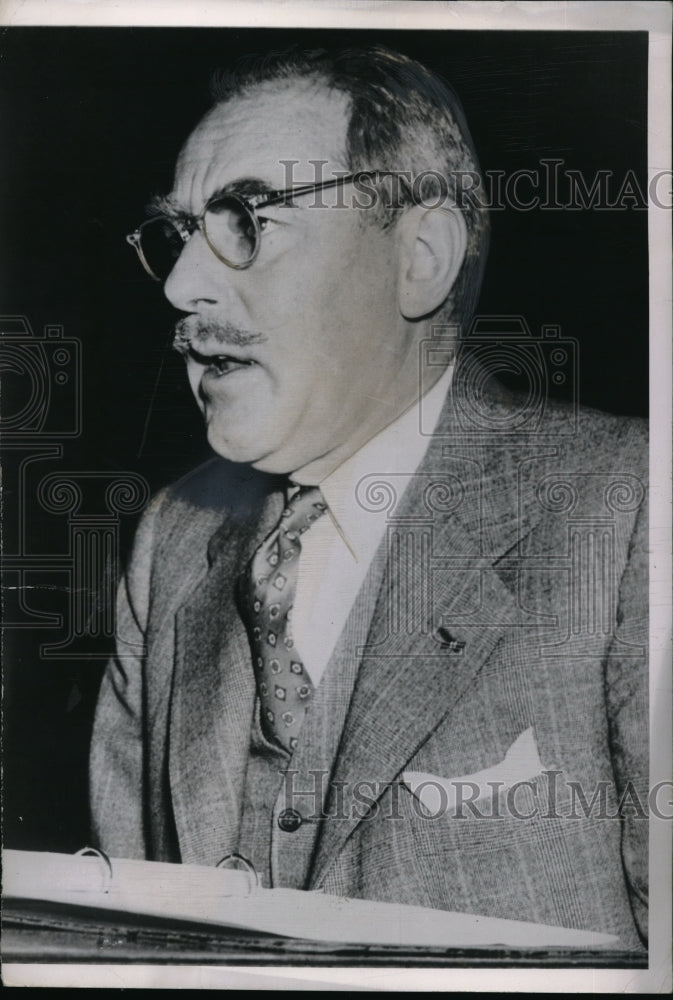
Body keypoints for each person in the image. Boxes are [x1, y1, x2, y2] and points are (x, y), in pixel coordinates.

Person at [90, 45, 648, 951]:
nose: (185, 286)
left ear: (418, 257)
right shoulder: (173, 539)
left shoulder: (626, 510)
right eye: (178, 233)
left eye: (247, 219)